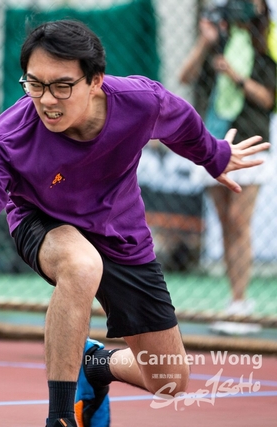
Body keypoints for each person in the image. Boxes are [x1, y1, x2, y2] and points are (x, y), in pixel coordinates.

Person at [0, 20, 269, 427]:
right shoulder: (7, 137)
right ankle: (60, 417)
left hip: (119, 231)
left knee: (169, 380)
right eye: (34, 84)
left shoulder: (138, 102)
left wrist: (215, 156)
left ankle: (94, 365)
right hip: (43, 222)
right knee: (81, 265)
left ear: (95, 81)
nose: (47, 99)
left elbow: (180, 119)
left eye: (62, 86)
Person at [179, 0, 275, 335]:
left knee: (238, 221)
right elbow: (185, 76)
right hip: (213, 142)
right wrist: (204, 42)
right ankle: (234, 302)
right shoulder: (216, 44)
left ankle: (241, 301)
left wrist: (236, 76)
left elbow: (267, 98)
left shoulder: (265, 45)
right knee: (224, 223)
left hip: (249, 140)